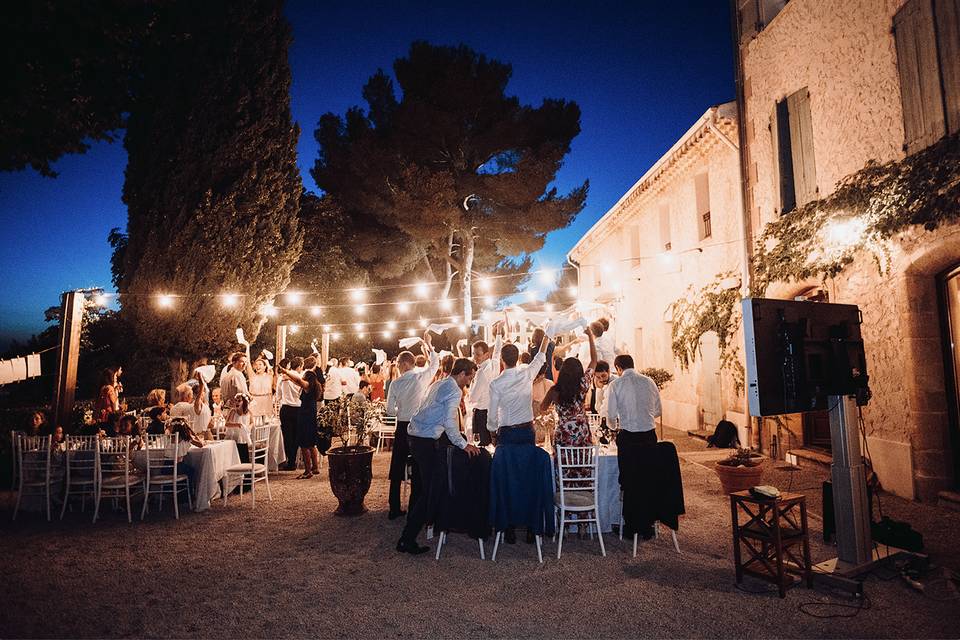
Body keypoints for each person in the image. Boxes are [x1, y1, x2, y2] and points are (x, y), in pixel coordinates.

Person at [397, 357, 481, 555]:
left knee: (421, 488)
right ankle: (407, 539)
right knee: (430, 492)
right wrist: (463, 444)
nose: (469, 381)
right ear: (462, 374)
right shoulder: (454, 389)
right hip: (425, 442)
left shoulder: (439, 382)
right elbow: (449, 422)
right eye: (470, 377)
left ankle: (417, 529)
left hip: (415, 436)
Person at [384, 331, 440, 519]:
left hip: (402, 426)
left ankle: (394, 508)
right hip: (418, 427)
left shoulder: (395, 383)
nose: (397, 367)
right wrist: (429, 345)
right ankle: (415, 509)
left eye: (399, 364)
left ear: (405, 363)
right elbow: (436, 364)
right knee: (417, 466)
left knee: (397, 466)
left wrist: (401, 408)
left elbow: (390, 411)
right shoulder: (421, 377)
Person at [542, 331, 597, 469]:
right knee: (582, 461)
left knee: (563, 464)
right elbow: (594, 361)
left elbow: (542, 407)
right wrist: (590, 337)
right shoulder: (583, 385)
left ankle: (564, 483)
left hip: (563, 432)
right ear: (579, 372)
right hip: (581, 431)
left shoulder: (554, 390)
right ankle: (583, 483)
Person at [487, 331, 550, 444]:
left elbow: (492, 415)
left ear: (502, 359)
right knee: (527, 461)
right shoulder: (527, 373)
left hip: (507, 431)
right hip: (527, 430)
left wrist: (493, 433)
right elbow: (540, 357)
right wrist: (547, 336)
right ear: (517, 358)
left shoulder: (495, 384)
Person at [278, 356, 325, 479]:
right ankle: (315, 468)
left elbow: (299, 381)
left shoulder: (308, 386)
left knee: (304, 445)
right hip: (310, 417)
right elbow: (298, 381)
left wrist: (286, 371)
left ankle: (307, 471)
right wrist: (290, 378)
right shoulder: (314, 386)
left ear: (308, 379)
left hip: (305, 417)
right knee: (311, 444)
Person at [607, 354, 662, 448]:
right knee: (648, 462)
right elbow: (658, 411)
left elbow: (611, 414)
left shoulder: (615, 385)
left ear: (618, 367)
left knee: (628, 463)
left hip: (628, 435)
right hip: (649, 434)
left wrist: (613, 427)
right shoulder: (649, 381)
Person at [469, 323, 503, 447]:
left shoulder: (482, 373)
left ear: (486, 354)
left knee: (481, 447)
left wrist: (471, 382)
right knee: (492, 445)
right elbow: (498, 350)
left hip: (481, 415)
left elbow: (472, 398)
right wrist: (499, 333)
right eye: (473, 354)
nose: (474, 357)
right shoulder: (494, 364)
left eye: (477, 354)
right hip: (492, 412)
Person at [220, 352, 252, 461]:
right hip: (236, 412)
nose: (244, 365)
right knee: (240, 440)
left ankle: (234, 465)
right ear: (234, 362)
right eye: (242, 362)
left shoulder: (226, 375)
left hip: (227, 409)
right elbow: (243, 394)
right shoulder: (237, 375)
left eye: (246, 362)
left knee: (233, 442)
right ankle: (244, 468)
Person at [277, 357, 303, 471]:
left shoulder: (281, 378)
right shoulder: (300, 377)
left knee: (287, 436)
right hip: (298, 408)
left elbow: (278, 395)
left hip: (286, 408)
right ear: (299, 366)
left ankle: (290, 461)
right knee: (296, 435)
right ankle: (294, 460)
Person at [248, 357, 275, 423]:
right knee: (254, 422)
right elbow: (248, 363)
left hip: (266, 401)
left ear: (265, 366)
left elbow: (271, 370)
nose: (257, 366)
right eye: (256, 364)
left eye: (260, 364)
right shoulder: (252, 376)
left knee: (266, 423)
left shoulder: (269, 375)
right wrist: (247, 348)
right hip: (255, 401)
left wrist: (267, 363)